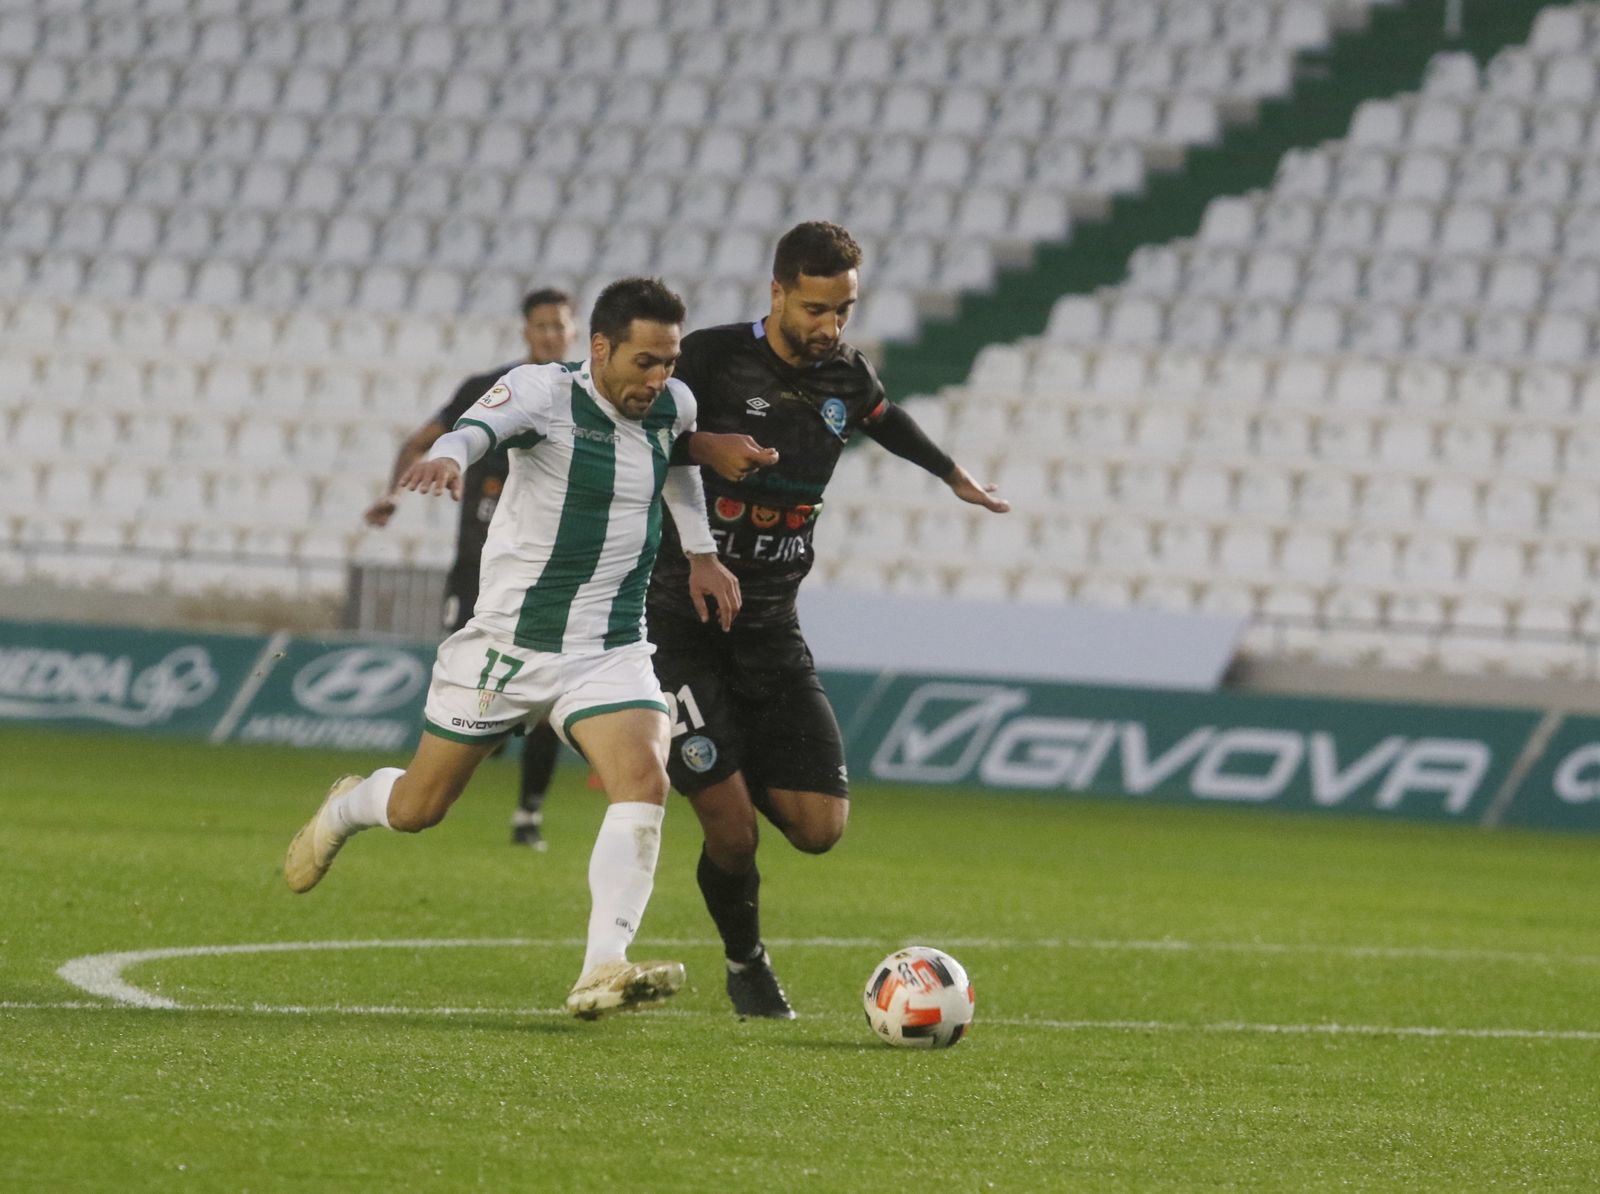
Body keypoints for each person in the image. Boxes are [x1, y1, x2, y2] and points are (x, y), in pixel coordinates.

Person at [285, 277, 768, 1020]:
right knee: (420, 808)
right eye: (644, 362)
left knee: (644, 779)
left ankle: (601, 967)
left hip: (609, 647)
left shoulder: (674, 404)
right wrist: (448, 458)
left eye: (669, 361)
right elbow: (473, 430)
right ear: (599, 348)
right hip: (508, 645)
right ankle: (349, 807)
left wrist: (702, 553)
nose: (659, 378)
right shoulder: (541, 393)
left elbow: (677, 466)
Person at [651, 222, 1010, 1019]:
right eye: (816, 308)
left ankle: (722, 768)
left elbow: (880, 414)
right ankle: (747, 964)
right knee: (734, 832)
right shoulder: (708, 360)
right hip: (677, 620)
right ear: (777, 292)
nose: (830, 327)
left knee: (820, 829)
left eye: (844, 309)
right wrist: (704, 447)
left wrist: (951, 473)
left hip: (773, 629)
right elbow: (640, 434)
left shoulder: (845, 374)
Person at [364, 289, 579, 850]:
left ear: (576, 331)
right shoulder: (488, 390)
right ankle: (482, 737)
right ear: (526, 333)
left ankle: (528, 813)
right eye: (542, 327)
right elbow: (422, 440)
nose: (552, 336)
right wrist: (391, 495)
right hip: (478, 572)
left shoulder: (589, 399)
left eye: (561, 326)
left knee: (553, 696)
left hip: (549, 573)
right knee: (479, 696)